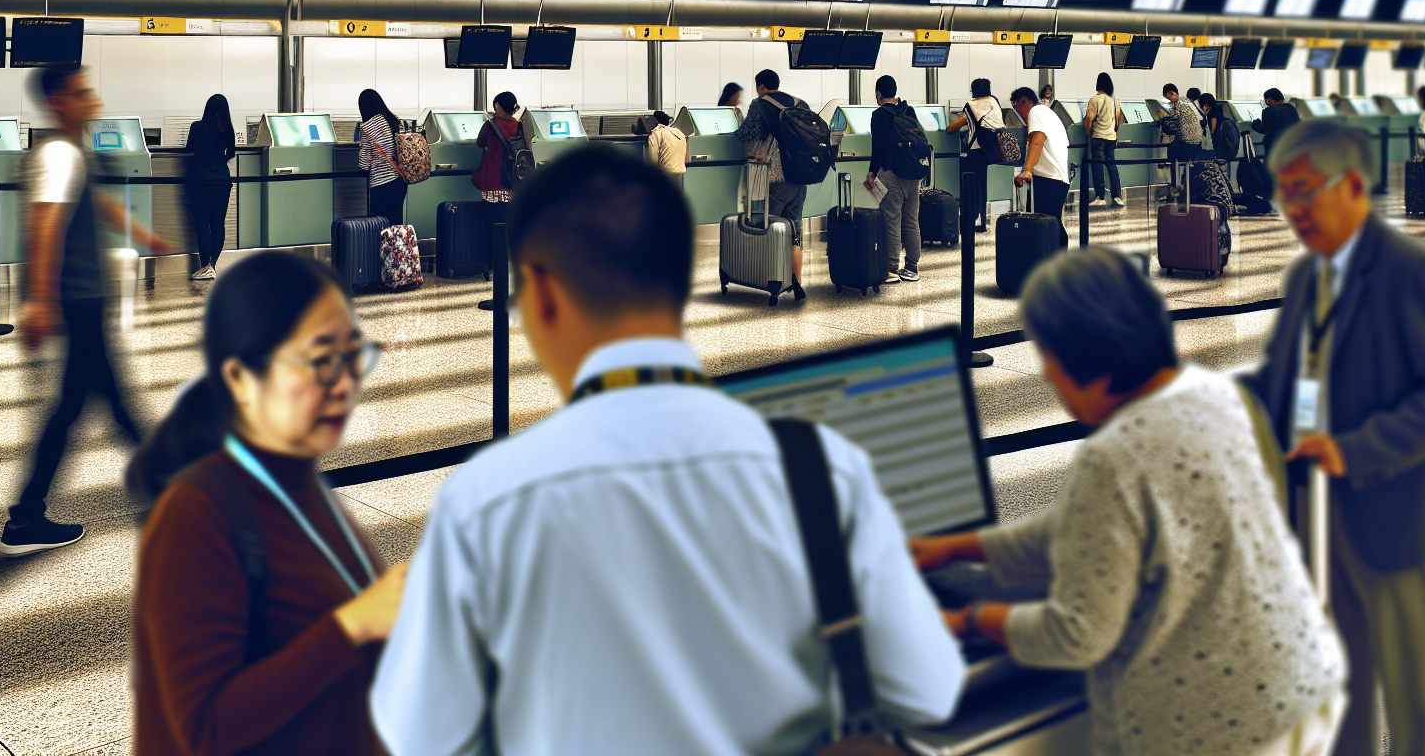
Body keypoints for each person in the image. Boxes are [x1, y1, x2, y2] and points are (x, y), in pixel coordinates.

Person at [371, 148, 964, 754]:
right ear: (680, 280)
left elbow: (419, 731)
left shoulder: (487, 501)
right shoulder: (820, 468)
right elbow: (927, 688)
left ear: (542, 294)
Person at [914, 248, 1347, 756]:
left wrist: (969, 621)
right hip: (1302, 687)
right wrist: (958, 547)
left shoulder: (1114, 457)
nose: (1048, 378)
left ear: (1090, 362)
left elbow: (1079, 635)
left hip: (1225, 728)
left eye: (1049, 358)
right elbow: (1089, 526)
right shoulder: (1214, 393)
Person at [1243, 118, 1425, 756]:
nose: (1292, 210)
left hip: (1398, 513)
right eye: (1285, 195)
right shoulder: (1307, 277)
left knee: (1414, 700)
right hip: (1323, 514)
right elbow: (1283, 375)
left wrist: (1353, 450)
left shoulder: (1413, 274)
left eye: (1305, 192)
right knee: (1340, 682)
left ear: (1353, 184)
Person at [127, 252, 408, 756]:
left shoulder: (300, 484)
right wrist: (353, 624)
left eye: (353, 357)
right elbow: (204, 725)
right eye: (321, 360)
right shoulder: (196, 515)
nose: (345, 384)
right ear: (239, 377)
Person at [4, 65, 175, 555]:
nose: (94, 101)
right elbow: (45, 226)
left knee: (92, 404)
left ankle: (161, 485)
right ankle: (26, 518)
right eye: (83, 93)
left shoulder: (67, 151)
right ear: (60, 101)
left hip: (81, 298)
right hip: (78, 299)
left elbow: (94, 203)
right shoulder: (60, 153)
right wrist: (39, 300)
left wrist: (142, 235)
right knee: (86, 406)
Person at [735, 69, 812, 300]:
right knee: (794, 232)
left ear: (760, 87)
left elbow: (746, 133)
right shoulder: (801, 104)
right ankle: (797, 284)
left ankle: (774, 285)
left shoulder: (760, 105)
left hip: (773, 178)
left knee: (770, 231)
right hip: (799, 178)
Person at [864, 74, 924, 284]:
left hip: (891, 174)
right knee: (911, 220)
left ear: (879, 94)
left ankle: (891, 268)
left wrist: (872, 172)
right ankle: (912, 267)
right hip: (912, 173)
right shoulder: (909, 110)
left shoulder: (879, 115)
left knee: (891, 219)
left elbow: (877, 147)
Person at [183, 93, 235, 282]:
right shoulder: (227, 129)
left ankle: (205, 267)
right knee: (217, 224)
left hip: (201, 181)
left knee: (202, 225)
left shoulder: (197, 127)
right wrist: (218, 161)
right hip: (222, 180)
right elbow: (232, 153)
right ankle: (212, 265)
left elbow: (189, 149)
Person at [1010, 86, 1070, 248]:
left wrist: (1027, 169)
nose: (1018, 112)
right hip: (1057, 177)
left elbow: (1038, 139)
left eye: (1018, 106)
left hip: (1049, 178)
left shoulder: (1036, 112)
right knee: (1052, 221)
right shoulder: (1048, 113)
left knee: (1049, 223)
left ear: (1025, 102)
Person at [946, 78, 1003, 231]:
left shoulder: (972, 105)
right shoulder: (994, 101)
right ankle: (982, 220)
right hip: (994, 151)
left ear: (974, 90)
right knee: (982, 186)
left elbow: (953, 128)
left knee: (971, 185)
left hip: (978, 150)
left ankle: (971, 219)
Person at [357, 88, 406, 226]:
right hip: (399, 181)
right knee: (396, 225)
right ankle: (398, 248)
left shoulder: (368, 127)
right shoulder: (394, 120)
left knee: (381, 226)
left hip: (381, 184)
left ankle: (382, 248)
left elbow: (364, 163)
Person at [472, 92, 528, 207]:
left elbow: (480, 143)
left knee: (491, 216)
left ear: (497, 105)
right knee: (508, 217)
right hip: (513, 179)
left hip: (494, 181)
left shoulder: (490, 125)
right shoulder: (519, 125)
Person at [1082, 72, 1123, 207]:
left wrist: (1088, 133)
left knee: (1097, 166)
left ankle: (1100, 196)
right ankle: (1117, 196)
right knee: (1111, 166)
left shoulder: (1095, 100)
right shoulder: (1114, 101)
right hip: (1111, 138)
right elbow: (1118, 121)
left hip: (1098, 137)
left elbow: (1089, 121)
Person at [1158, 82, 1203, 164]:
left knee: (1173, 153)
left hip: (1187, 140)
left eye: (1167, 96)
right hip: (1197, 140)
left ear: (1171, 93)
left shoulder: (1177, 104)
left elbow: (1172, 118)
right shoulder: (1185, 101)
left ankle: (1176, 174)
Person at [643, 109, 687, 191]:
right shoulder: (679, 132)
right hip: (680, 173)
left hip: (665, 174)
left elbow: (652, 162)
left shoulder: (656, 134)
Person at [1252, 88, 1301, 159]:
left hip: (1274, 144)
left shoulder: (1268, 111)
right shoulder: (1291, 107)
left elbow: (1263, 129)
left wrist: (1256, 122)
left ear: (1269, 99)